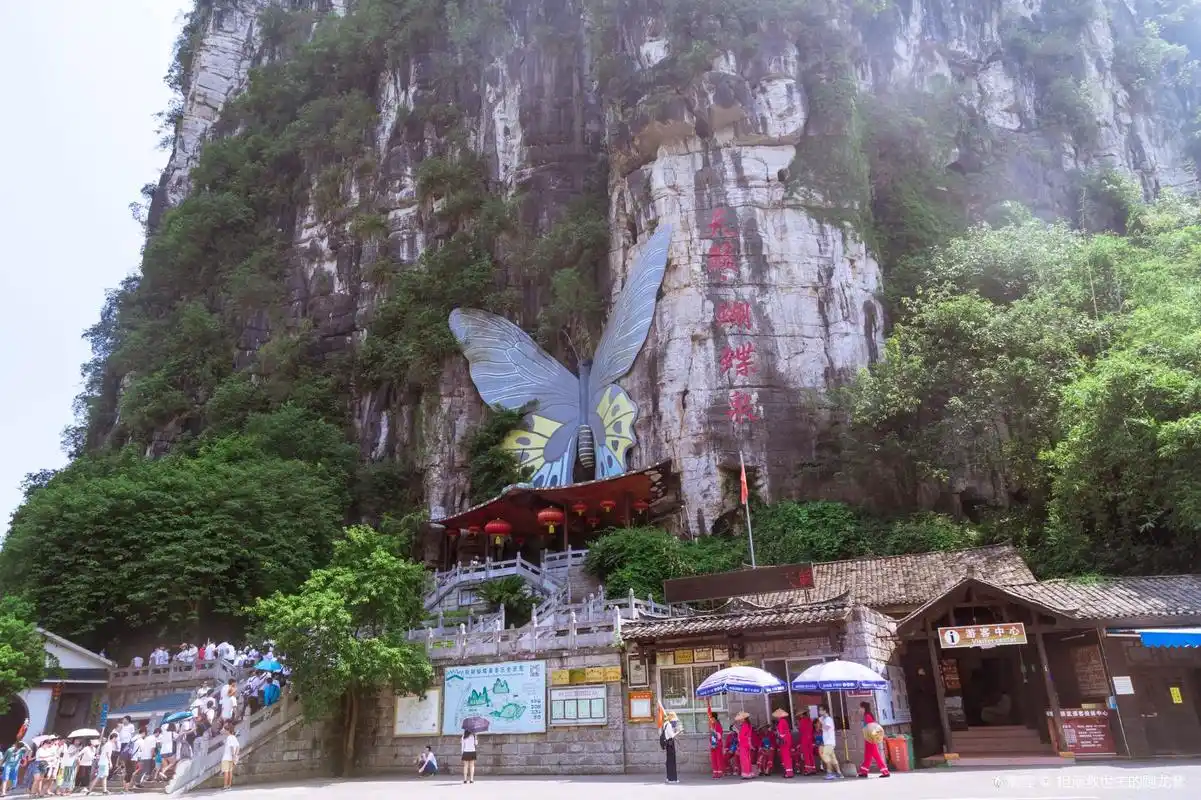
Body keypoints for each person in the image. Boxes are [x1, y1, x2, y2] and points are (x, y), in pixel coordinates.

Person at [858, 702, 889, 778]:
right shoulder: (867, 715)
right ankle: (864, 772)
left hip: (870, 739)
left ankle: (885, 772)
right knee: (867, 756)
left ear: (864, 708)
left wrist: (872, 738)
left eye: (861, 708)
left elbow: (872, 727)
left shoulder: (867, 716)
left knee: (876, 755)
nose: (860, 709)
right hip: (868, 738)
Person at [817, 705, 842, 780]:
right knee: (833, 758)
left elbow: (827, 728)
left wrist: (821, 723)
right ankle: (839, 773)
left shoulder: (828, 719)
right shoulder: (824, 719)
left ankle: (830, 773)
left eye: (821, 710)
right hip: (828, 742)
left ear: (825, 711)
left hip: (829, 742)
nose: (819, 711)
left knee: (825, 755)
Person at [773, 708, 794, 778]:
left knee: (786, 757)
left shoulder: (781, 722)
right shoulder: (784, 721)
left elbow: (781, 733)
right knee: (787, 756)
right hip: (787, 740)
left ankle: (788, 773)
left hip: (784, 741)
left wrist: (777, 734)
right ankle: (789, 772)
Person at [660, 711, 679, 784]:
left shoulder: (665, 724)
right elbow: (672, 735)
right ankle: (672, 779)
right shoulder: (669, 725)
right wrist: (678, 732)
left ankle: (668, 777)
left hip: (667, 744)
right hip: (670, 743)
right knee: (672, 761)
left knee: (669, 761)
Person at [796, 710, 816, 775]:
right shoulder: (810, 720)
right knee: (810, 754)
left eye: (800, 715)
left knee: (806, 754)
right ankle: (813, 769)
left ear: (802, 715)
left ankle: (808, 770)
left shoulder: (802, 721)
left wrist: (798, 725)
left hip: (804, 739)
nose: (799, 716)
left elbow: (800, 730)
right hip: (810, 739)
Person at [220, 724, 239, 791]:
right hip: (231, 758)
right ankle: (229, 786)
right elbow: (237, 746)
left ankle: (225, 786)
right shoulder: (234, 737)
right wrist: (235, 755)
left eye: (225, 730)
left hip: (226, 757)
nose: (224, 731)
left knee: (226, 772)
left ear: (228, 730)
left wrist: (233, 755)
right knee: (230, 772)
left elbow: (231, 747)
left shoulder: (228, 738)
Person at [735, 711, 753, 779]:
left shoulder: (745, 725)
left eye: (741, 719)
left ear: (743, 719)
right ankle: (749, 772)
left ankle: (746, 773)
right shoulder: (748, 724)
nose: (740, 720)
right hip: (747, 743)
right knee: (747, 758)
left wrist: (737, 732)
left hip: (743, 743)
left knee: (744, 759)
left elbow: (742, 736)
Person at [707, 710, 724, 778]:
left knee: (719, 758)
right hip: (712, 744)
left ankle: (720, 772)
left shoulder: (718, 725)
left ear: (714, 718)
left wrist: (714, 732)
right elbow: (710, 735)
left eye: (711, 718)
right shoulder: (712, 725)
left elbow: (719, 735)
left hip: (718, 744)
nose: (710, 719)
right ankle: (715, 772)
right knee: (713, 758)